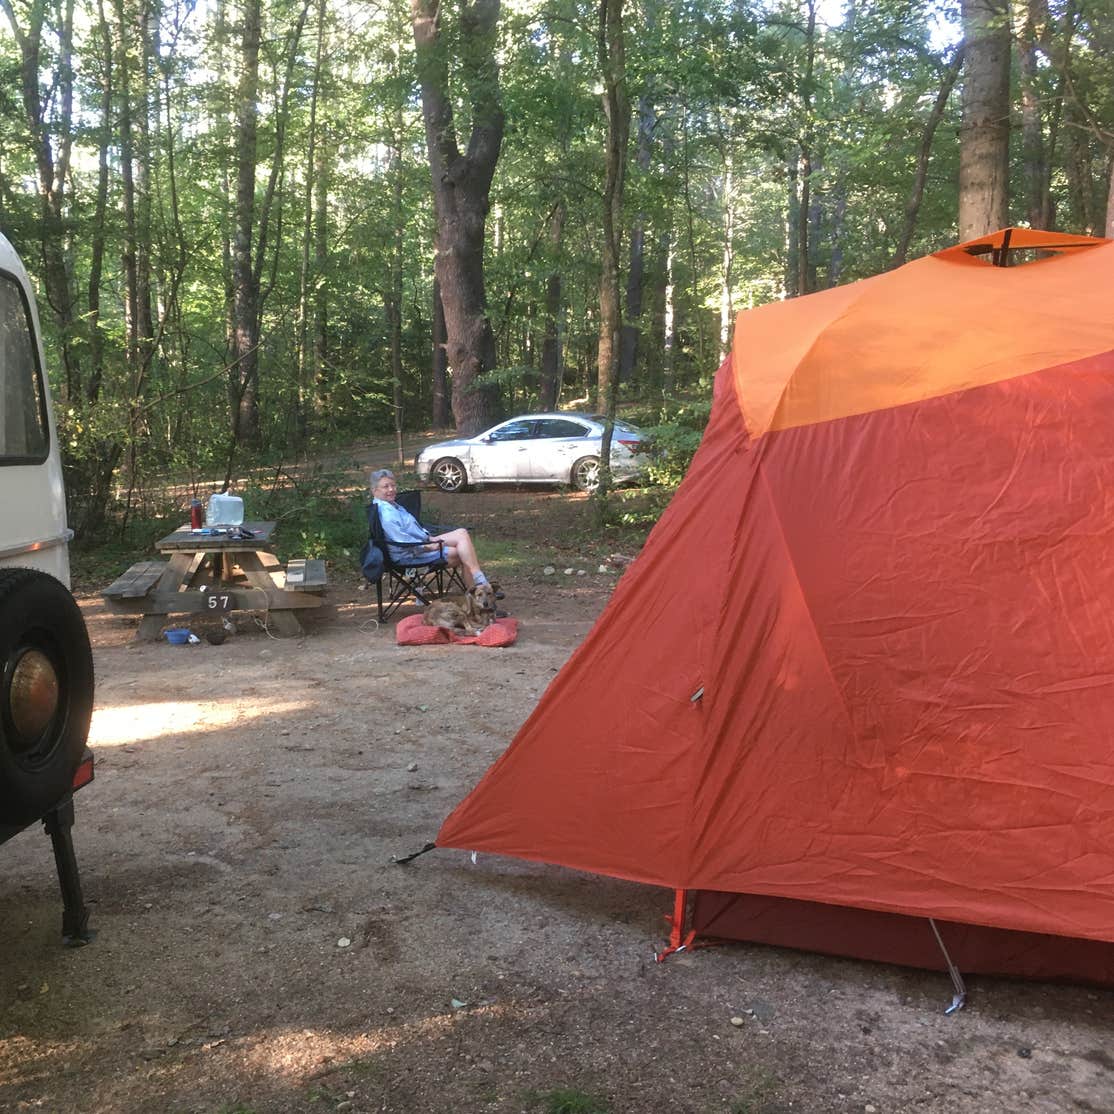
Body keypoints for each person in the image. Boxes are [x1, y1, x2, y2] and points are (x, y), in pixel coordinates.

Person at [369, 469, 494, 591]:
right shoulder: (386, 513)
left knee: (462, 537)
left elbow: (413, 529)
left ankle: (477, 586)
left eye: (393, 485)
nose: (391, 489)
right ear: (375, 491)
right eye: (386, 487)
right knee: (462, 550)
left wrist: (429, 538)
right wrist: (428, 546)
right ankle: (478, 587)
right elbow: (402, 541)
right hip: (410, 555)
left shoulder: (392, 506)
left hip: (421, 544)